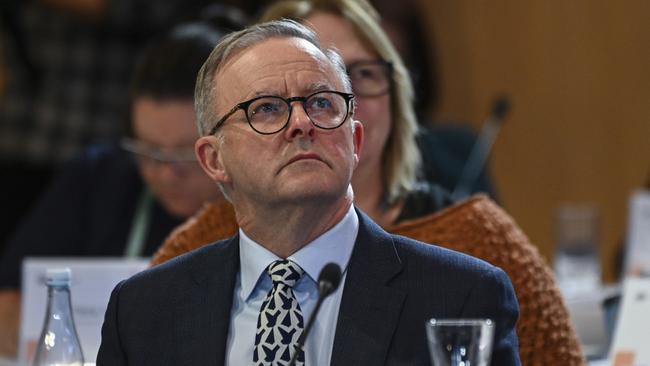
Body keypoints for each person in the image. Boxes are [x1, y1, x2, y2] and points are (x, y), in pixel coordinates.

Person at [97, 19, 520, 365]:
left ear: (354, 143)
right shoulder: (142, 312)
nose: (302, 123)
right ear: (213, 160)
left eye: (321, 103)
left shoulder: (462, 297)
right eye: (266, 109)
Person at [0, 22, 225, 357]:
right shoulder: (100, 177)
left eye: (183, 153)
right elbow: (8, 302)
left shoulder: (260, 208)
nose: (166, 173)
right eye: (149, 152)